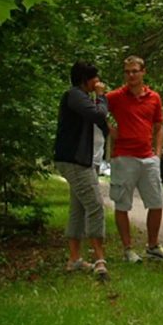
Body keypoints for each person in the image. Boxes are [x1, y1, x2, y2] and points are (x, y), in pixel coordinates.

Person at [105, 56, 163, 264]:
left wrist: (158, 154)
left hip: (148, 158)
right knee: (122, 204)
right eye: (127, 72)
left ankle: (153, 246)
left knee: (156, 202)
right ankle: (128, 249)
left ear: (143, 72)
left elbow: (159, 126)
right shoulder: (115, 97)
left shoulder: (154, 98)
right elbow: (96, 111)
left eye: (135, 71)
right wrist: (111, 129)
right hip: (123, 157)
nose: (131, 75)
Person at [54, 61, 110, 281]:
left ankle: (75, 259)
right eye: (95, 78)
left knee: (78, 207)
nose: (98, 81)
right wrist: (101, 97)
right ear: (85, 80)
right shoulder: (75, 95)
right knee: (95, 206)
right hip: (74, 160)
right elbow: (98, 115)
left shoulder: (80, 97)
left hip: (77, 159)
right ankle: (99, 259)